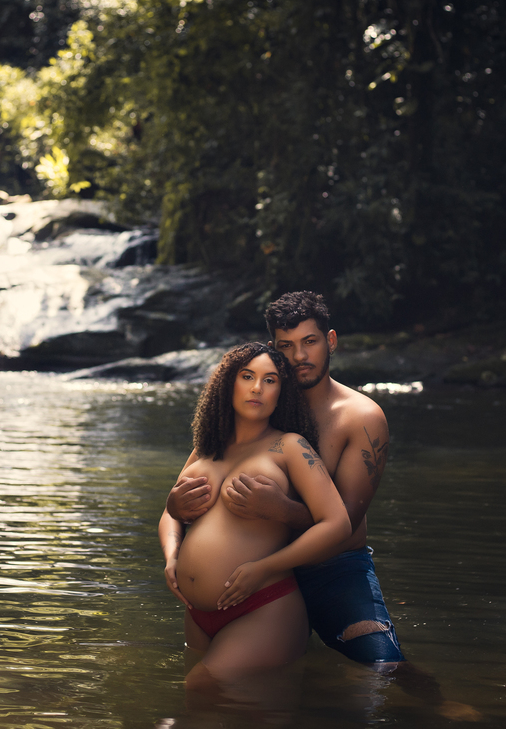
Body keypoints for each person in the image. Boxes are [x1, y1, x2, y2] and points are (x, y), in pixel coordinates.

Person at [164, 292, 405, 668]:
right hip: (252, 576)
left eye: (310, 342)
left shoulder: (360, 417)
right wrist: (175, 511)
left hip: (330, 570)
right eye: (286, 346)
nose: (299, 356)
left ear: (330, 341)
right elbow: (190, 487)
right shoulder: (258, 406)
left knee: (382, 667)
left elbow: (344, 522)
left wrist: (279, 509)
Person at [158, 342, 351, 688]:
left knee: (201, 687)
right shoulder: (206, 447)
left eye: (270, 380)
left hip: (262, 605)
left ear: (282, 393)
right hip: (196, 614)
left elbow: (337, 525)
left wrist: (264, 567)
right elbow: (169, 513)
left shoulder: (290, 446)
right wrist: (172, 556)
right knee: (202, 710)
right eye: (247, 376)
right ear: (228, 383)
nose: (257, 387)